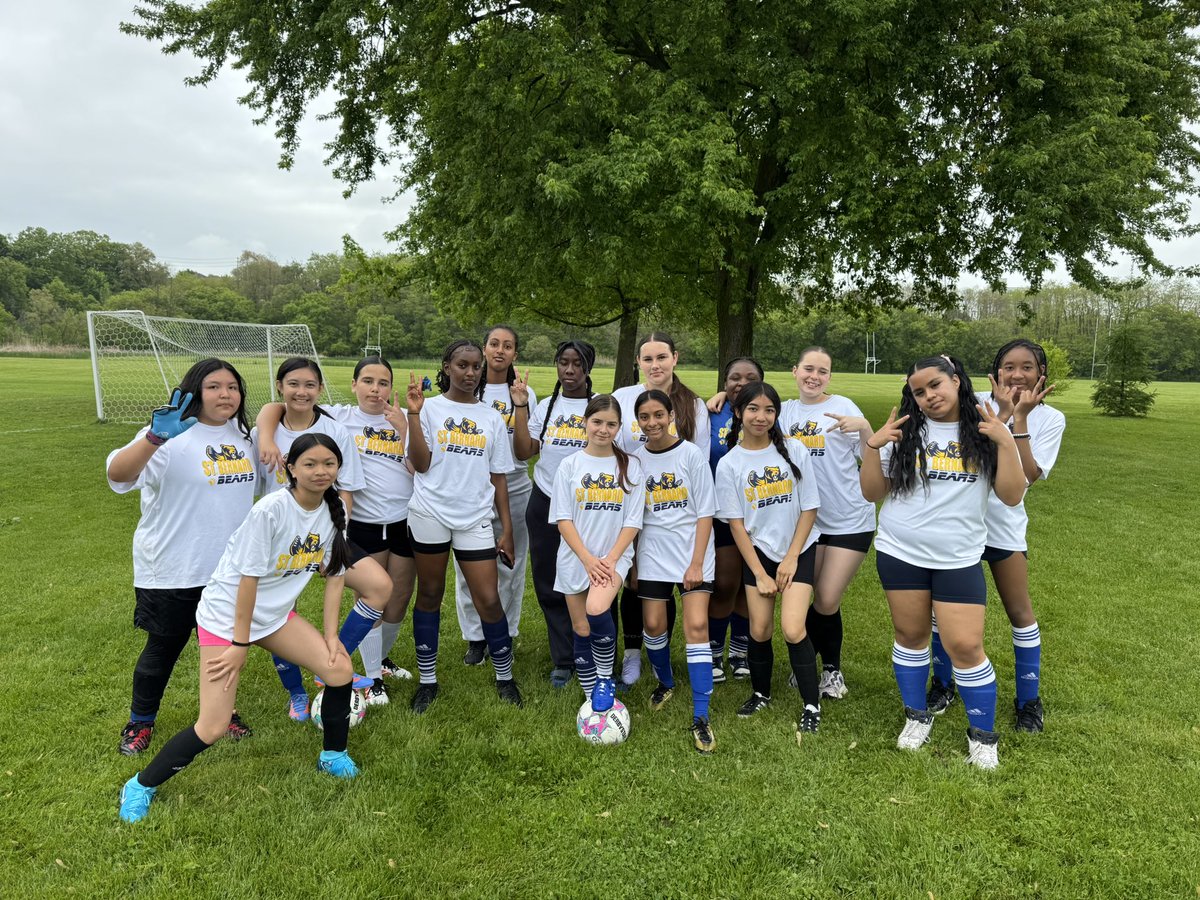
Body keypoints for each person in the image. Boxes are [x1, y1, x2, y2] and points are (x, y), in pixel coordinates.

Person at [117, 433, 361, 824]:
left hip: (274, 617)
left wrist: (331, 636)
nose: (320, 471)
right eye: (310, 464)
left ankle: (333, 755)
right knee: (212, 726)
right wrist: (239, 644)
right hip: (226, 619)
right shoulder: (271, 511)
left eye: (329, 464)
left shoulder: (335, 512)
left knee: (338, 669)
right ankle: (141, 785)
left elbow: (335, 576)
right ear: (290, 469)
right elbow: (248, 581)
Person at [859, 355, 1024, 770]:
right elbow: (871, 493)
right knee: (910, 636)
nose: (929, 396)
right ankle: (917, 716)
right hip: (900, 552)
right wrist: (873, 446)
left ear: (955, 380)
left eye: (935, 385)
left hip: (958, 557)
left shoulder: (986, 428)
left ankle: (983, 736)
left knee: (965, 645)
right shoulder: (906, 430)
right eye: (919, 391)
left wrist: (1005, 440)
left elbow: (1011, 495)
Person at [107, 358, 256, 756]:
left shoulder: (245, 437)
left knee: (224, 649)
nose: (225, 394)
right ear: (194, 392)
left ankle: (222, 715)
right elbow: (119, 475)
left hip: (226, 570)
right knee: (164, 646)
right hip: (173, 565)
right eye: (214, 386)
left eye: (232, 387)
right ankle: (140, 722)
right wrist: (155, 438)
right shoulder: (169, 434)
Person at [259, 356, 415, 706]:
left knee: (379, 587)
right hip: (279, 537)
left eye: (310, 385)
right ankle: (296, 693)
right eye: (294, 384)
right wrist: (267, 434)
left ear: (321, 389)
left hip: (326, 535)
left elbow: (347, 489)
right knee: (280, 612)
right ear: (280, 386)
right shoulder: (264, 432)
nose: (302, 391)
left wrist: (338, 534)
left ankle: (335, 660)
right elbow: (271, 411)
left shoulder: (334, 428)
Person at [927, 339, 1065, 733]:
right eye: (1008, 366)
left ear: (1042, 374)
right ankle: (943, 684)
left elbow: (1027, 477)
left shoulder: (1050, 419)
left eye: (1027, 367)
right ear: (996, 371)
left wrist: (1017, 420)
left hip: (1004, 526)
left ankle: (1028, 702)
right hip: (958, 524)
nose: (1017, 374)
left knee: (1019, 612)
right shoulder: (974, 404)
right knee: (943, 614)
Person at [404, 340, 521, 712]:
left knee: (488, 598)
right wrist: (412, 416)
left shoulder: (490, 417)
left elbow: (498, 478)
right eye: (462, 365)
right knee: (430, 594)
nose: (470, 373)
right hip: (429, 514)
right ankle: (427, 681)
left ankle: (505, 678)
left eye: (475, 367)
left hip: (474, 518)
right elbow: (420, 464)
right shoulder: (428, 409)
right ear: (447, 367)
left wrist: (507, 528)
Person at [714, 382, 822, 741]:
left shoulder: (793, 450)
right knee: (759, 630)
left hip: (798, 548)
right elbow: (737, 525)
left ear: (776, 415)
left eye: (769, 410)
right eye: (753, 409)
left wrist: (791, 558)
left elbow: (810, 507)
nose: (761, 417)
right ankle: (761, 693)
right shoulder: (730, 463)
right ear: (739, 413)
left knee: (793, 627)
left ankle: (812, 704)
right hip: (757, 552)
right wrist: (760, 573)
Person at [611, 332, 709, 686]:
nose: (655, 365)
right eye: (648, 359)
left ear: (675, 358)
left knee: (669, 591)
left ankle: (665, 659)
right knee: (634, 586)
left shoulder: (693, 405)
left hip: (679, 516)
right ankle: (635, 654)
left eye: (662, 357)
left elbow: (696, 461)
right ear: (638, 362)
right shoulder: (622, 398)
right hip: (635, 505)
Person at [779, 347, 877, 701]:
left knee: (827, 598)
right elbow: (751, 414)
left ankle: (831, 670)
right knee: (811, 596)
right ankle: (807, 660)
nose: (814, 376)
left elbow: (873, 458)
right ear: (795, 370)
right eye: (808, 368)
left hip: (849, 518)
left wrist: (865, 428)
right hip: (806, 524)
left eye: (822, 371)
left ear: (829, 377)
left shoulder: (845, 408)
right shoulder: (785, 412)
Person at [633, 390, 719, 753]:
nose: (652, 423)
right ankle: (666, 682)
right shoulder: (634, 461)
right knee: (653, 625)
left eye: (658, 415)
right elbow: (633, 518)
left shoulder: (691, 455)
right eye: (644, 417)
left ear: (671, 415)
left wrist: (697, 562)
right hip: (653, 549)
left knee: (696, 627)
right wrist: (634, 563)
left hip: (692, 547)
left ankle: (702, 715)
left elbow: (704, 512)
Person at [511, 340, 596, 687]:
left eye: (577, 363)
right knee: (549, 584)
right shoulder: (547, 407)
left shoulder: (600, 406)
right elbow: (523, 452)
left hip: (588, 506)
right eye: (564, 362)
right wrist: (520, 408)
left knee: (593, 583)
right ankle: (564, 658)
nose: (570, 370)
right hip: (545, 501)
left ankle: (595, 653)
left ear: (588, 367)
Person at [551, 395, 643, 715]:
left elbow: (633, 520)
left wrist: (610, 559)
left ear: (619, 427)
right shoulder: (570, 465)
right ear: (585, 423)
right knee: (581, 628)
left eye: (611, 424)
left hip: (613, 558)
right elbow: (563, 518)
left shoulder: (630, 465)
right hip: (576, 557)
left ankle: (605, 680)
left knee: (597, 606)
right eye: (597, 422)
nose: (603, 429)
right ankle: (591, 694)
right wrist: (587, 559)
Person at [455, 326, 535, 667]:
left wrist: (520, 405)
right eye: (494, 344)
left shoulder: (523, 392)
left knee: (510, 567)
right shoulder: (471, 388)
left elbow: (525, 450)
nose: (500, 351)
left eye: (508, 346)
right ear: (484, 349)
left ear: (515, 353)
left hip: (515, 486)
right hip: (472, 488)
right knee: (469, 568)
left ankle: (504, 634)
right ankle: (475, 637)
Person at [705, 357, 763, 683]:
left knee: (748, 582)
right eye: (734, 378)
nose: (740, 383)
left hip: (759, 513)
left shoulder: (767, 413)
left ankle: (739, 650)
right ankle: (713, 649)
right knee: (726, 581)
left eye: (749, 378)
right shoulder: (711, 413)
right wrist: (719, 398)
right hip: (721, 512)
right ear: (724, 382)